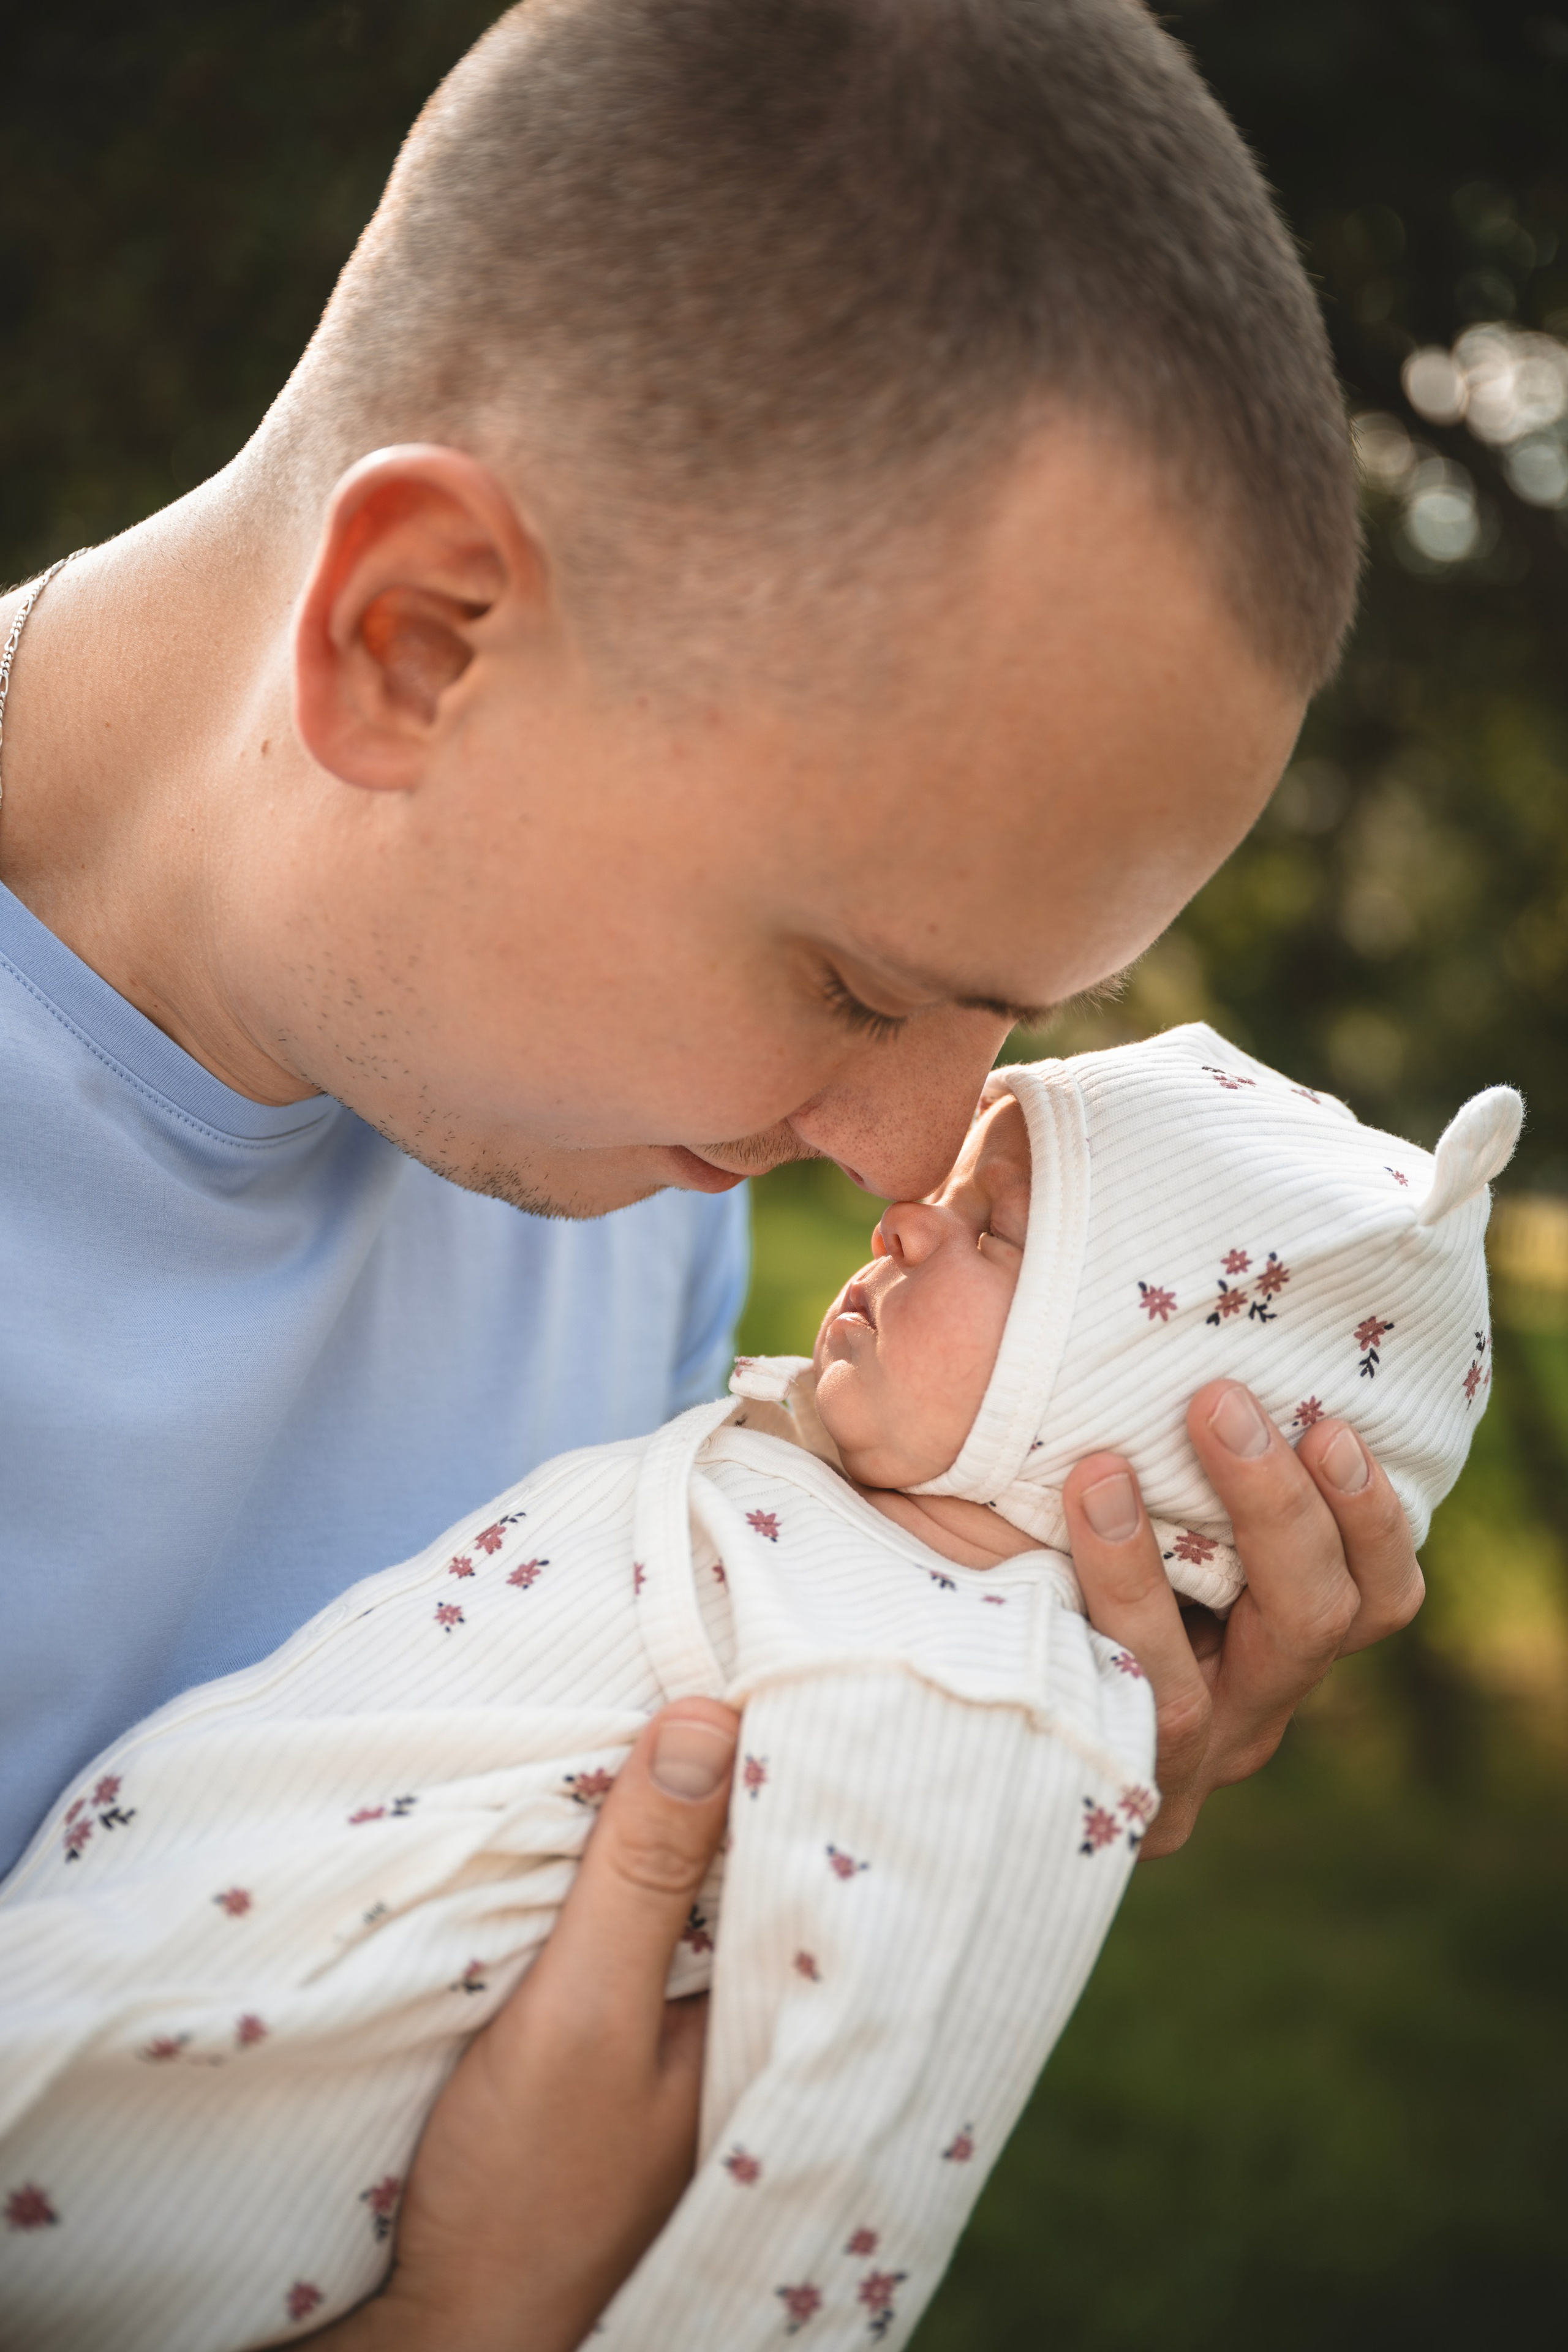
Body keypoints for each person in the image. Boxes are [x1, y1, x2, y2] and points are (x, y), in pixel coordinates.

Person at [0, 2, 1425, 2340]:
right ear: (419, 640)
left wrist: (965, 1731)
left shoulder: (611, 1170)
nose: (904, 1159)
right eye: (862, 991)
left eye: (1007, 1023)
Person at [2, 1026, 1507, 2351]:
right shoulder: (817, 1501)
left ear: (1125, 1409)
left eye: (996, 1231)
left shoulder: (975, 1698)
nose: (905, 1218)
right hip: (132, 1945)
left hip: (240, 2114)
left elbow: (832, 2156)